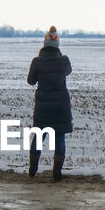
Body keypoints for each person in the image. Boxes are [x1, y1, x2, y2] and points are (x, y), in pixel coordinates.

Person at [26, 25, 73, 181]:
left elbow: (30, 81)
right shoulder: (64, 61)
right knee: (59, 137)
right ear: (57, 45)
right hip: (61, 106)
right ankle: (57, 172)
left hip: (43, 106)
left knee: (39, 136)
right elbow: (68, 71)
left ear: (44, 44)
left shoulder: (37, 62)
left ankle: (32, 169)